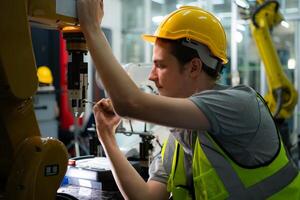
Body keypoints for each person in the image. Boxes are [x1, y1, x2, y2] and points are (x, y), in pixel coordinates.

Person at [77, 1, 300, 199]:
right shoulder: (181, 138)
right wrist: (106, 136)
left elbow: (130, 104)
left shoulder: (240, 105)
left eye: (161, 65)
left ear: (194, 67)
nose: (151, 76)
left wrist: (92, 27)